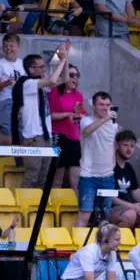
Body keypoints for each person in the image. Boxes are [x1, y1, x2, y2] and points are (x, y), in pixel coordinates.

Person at [12, 40, 70, 189]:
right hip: (32, 136)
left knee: (44, 177)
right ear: (31, 69)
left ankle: (39, 209)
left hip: (46, 135)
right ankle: (25, 205)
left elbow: (65, 79)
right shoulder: (27, 83)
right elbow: (52, 79)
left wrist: (66, 58)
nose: (44, 69)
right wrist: (61, 59)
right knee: (32, 175)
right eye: (41, 67)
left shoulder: (40, 83)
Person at [75, 91, 119, 227]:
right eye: (101, 104)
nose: (105, 108)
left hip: (107, 177)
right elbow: (87, 131)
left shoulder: (114, 125)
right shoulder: (86, 120)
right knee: (85, 214)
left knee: (104, 217)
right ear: (93, 106)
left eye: (107, 105)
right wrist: (105, 119)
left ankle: (102, 248)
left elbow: (111, 145)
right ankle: (76, 247)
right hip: (89, 176)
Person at [109, 129, 140, 228]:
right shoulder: (110, 167)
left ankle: (137, 243)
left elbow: (136, 191)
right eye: (125, 145)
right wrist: (131, 206)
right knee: (131, 214)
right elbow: (109, 196)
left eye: (132, 146)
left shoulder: (129, 168)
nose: (129, 149)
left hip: (128, 208)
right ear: (117, 145)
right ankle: (117, 241)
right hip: (111, 209)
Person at [49, 63, 85, 194]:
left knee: (75, 181)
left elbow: (81, 116)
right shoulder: (54, 92)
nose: (75, 77)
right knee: (57, 180)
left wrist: (77, 114)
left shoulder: (78, 95)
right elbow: (50, 115)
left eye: (77, 75)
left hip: (74, 138)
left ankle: (78, 211)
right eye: (71, 75)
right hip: (59, 136)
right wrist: (68, 114)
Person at [0, 33, 25, 146]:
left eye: (11, 45)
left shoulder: (23, 63)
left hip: (20, 102)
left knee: (22, 131)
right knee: (6, 132)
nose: (8, 48)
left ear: (18, 47)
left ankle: (19, 161)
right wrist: (7, 83)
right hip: (5, 101)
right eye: (5, 46)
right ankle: (4, 159)